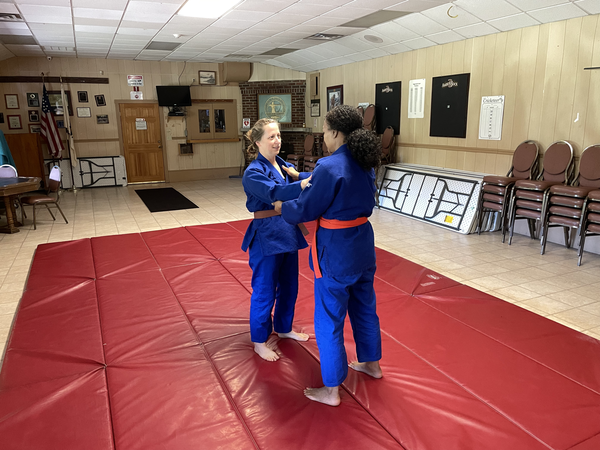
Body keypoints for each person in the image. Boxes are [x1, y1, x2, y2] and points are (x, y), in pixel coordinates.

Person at [274, 105, 383, 406]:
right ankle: (372, 364)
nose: (323, 137)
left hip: (336, 252)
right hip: (363, 247)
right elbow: (332, 179)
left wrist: (284, 208)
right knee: (364, 307)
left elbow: (305, 209)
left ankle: (332, 390)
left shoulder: (329, 166)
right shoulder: (364, 161)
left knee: (329, 317)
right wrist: (301, 175)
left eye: (324, 132)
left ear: (335, 132)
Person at [241, 118, 312, 362]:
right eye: (271, 137)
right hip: (266, 235)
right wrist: (301, 185)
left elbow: (299, 181)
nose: (277, 141)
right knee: (264, 289)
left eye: (278, 135)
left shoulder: (284, 165)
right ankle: (259, 341)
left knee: (290, 285)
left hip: (288, 230)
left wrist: (300, 177)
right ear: (258, 142)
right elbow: (274, 193)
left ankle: (283, 327)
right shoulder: (253, 172)